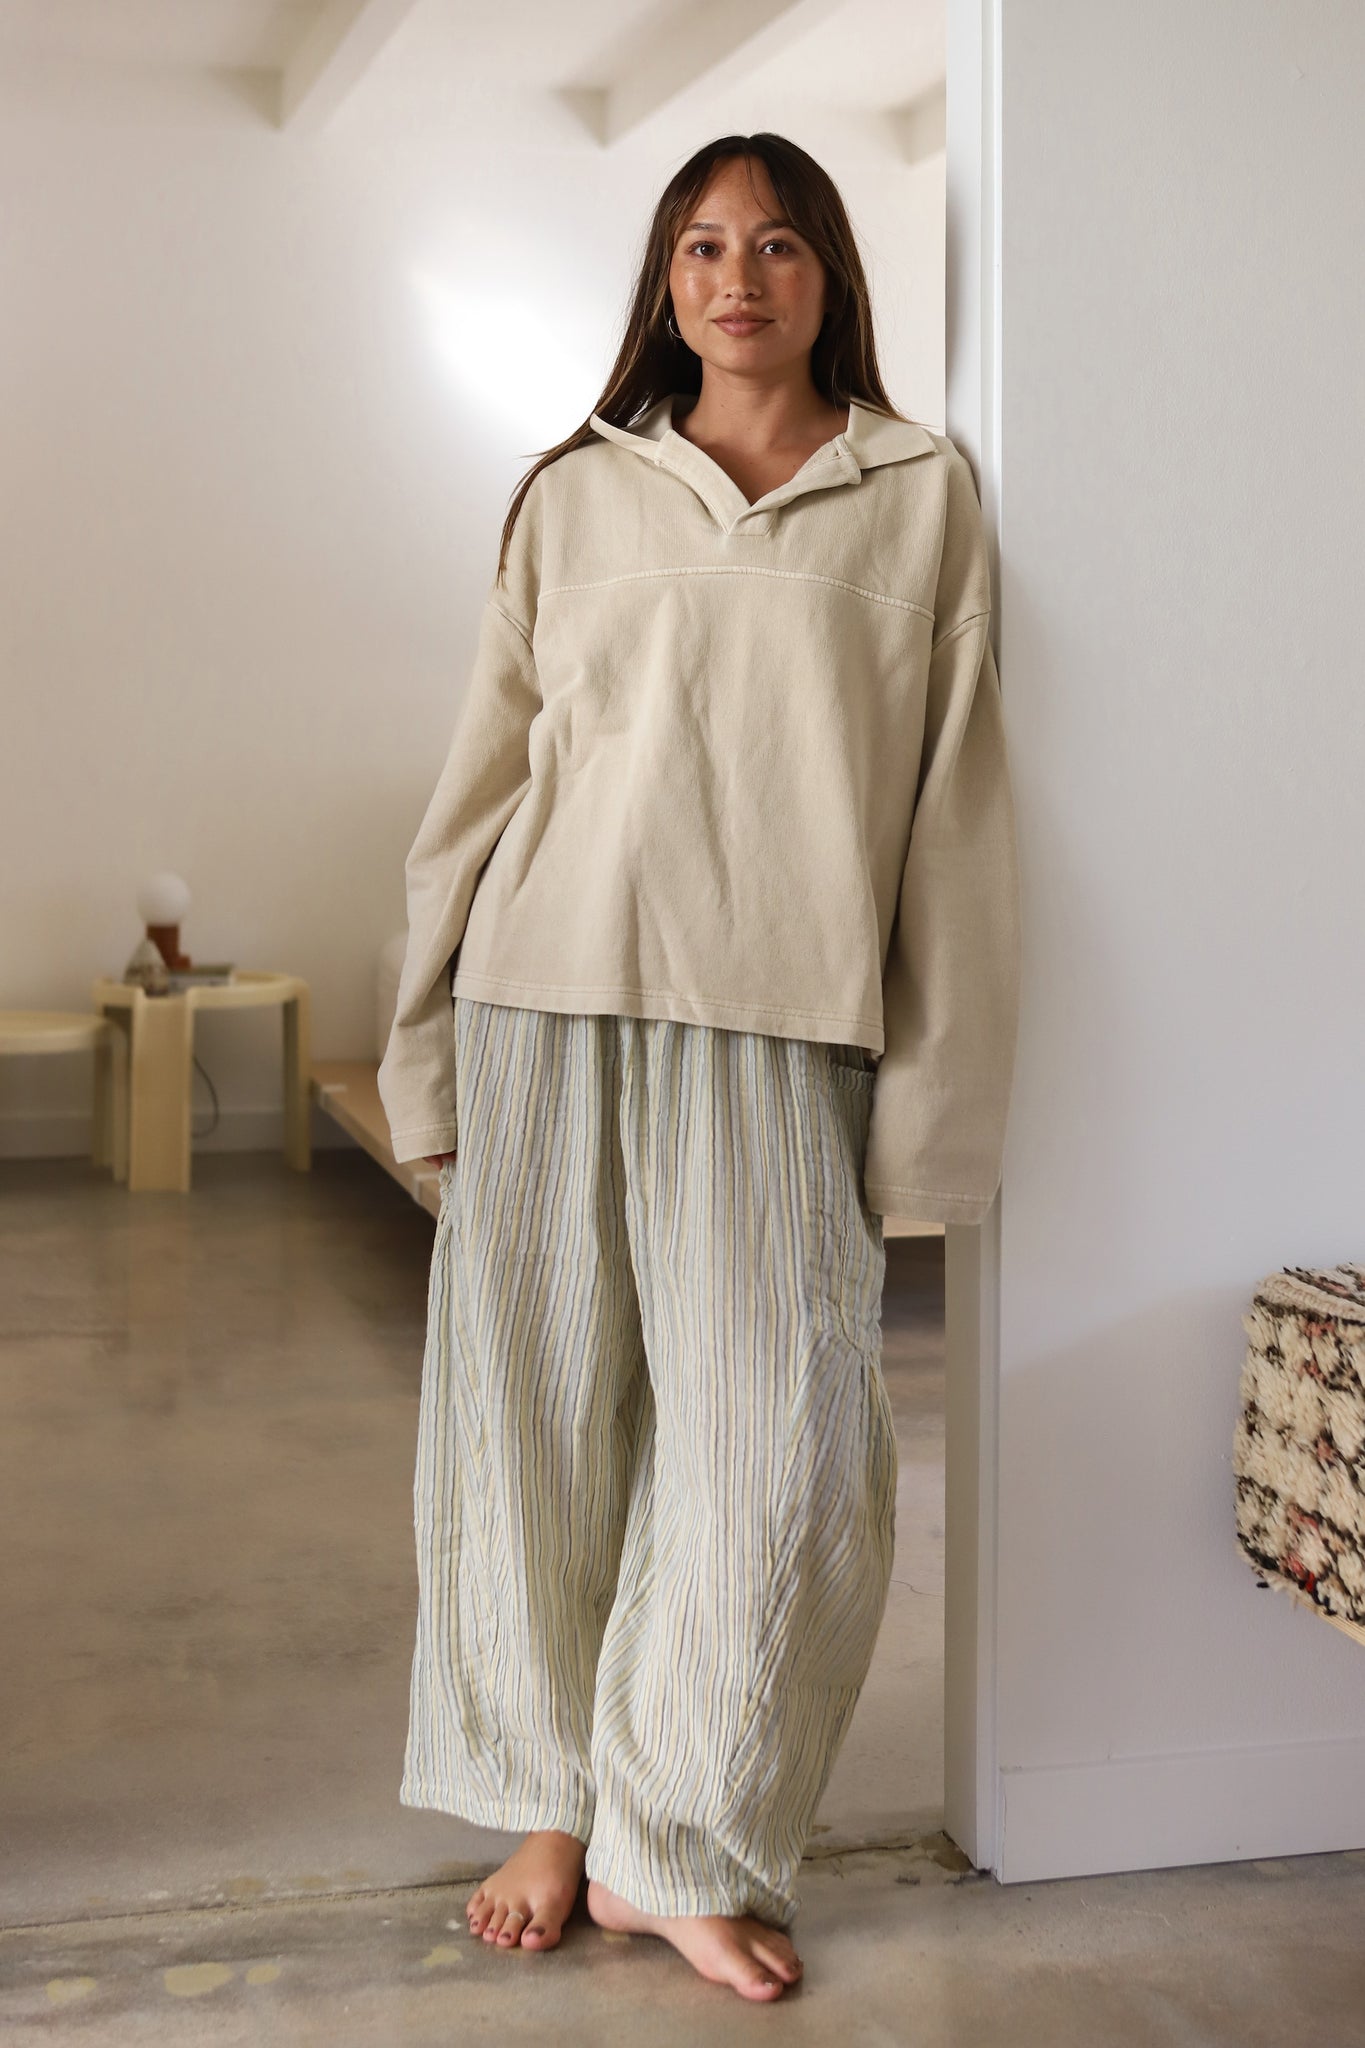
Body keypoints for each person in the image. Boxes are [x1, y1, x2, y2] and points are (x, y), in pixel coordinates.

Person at [377, 131, 1021, 2003]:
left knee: (780, 1453)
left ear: (832, 275)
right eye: (703, 247)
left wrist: (937, 1110)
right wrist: (422, 1049)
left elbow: (954, 820)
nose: (740, 279)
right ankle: (547, 1808)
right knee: (529, 1426)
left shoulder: (918, 496)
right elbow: (476, 789)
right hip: (544, 998)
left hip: (784, 1025)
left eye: (779, 244)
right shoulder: (571, 493)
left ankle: (673, 1840)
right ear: (665, 283)